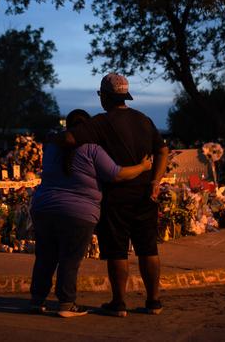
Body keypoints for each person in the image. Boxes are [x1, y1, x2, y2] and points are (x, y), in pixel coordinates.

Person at [63, 73, 169, 317]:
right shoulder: (144, 120)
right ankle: (154, 301)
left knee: (117, 251)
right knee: (149, 249)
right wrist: (155, 181)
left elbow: (69, 137)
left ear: (106, 97)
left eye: (101, 96)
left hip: (115, 196)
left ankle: (119, 303)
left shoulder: (101, 122)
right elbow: (163, 151)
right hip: (145, 196)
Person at [29, 109, 153, 318]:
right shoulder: (92, 150)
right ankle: (66, 304)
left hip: (44, 208)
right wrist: (142, 167)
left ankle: (36, 300)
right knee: (69, 259)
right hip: (78, 213)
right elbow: (117, 174)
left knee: (44, 257)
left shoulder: (51, 148)